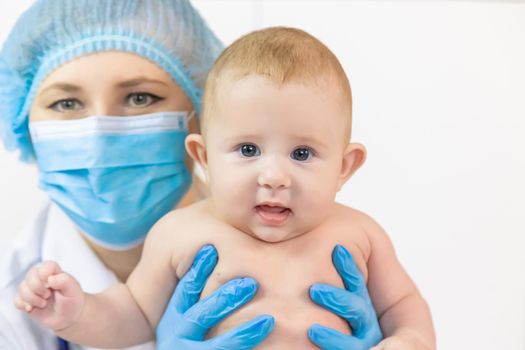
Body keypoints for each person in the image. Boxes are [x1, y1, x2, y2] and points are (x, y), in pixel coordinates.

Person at [15, 27, 436, 349]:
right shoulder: (180, 234)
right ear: (203, 156)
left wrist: (406, 341)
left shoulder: (359, 235)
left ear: (345, 167)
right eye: (248, 149)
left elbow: (403, 306)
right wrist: (78, 312)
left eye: (303, 153)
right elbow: (134, 313)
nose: (274, 176)